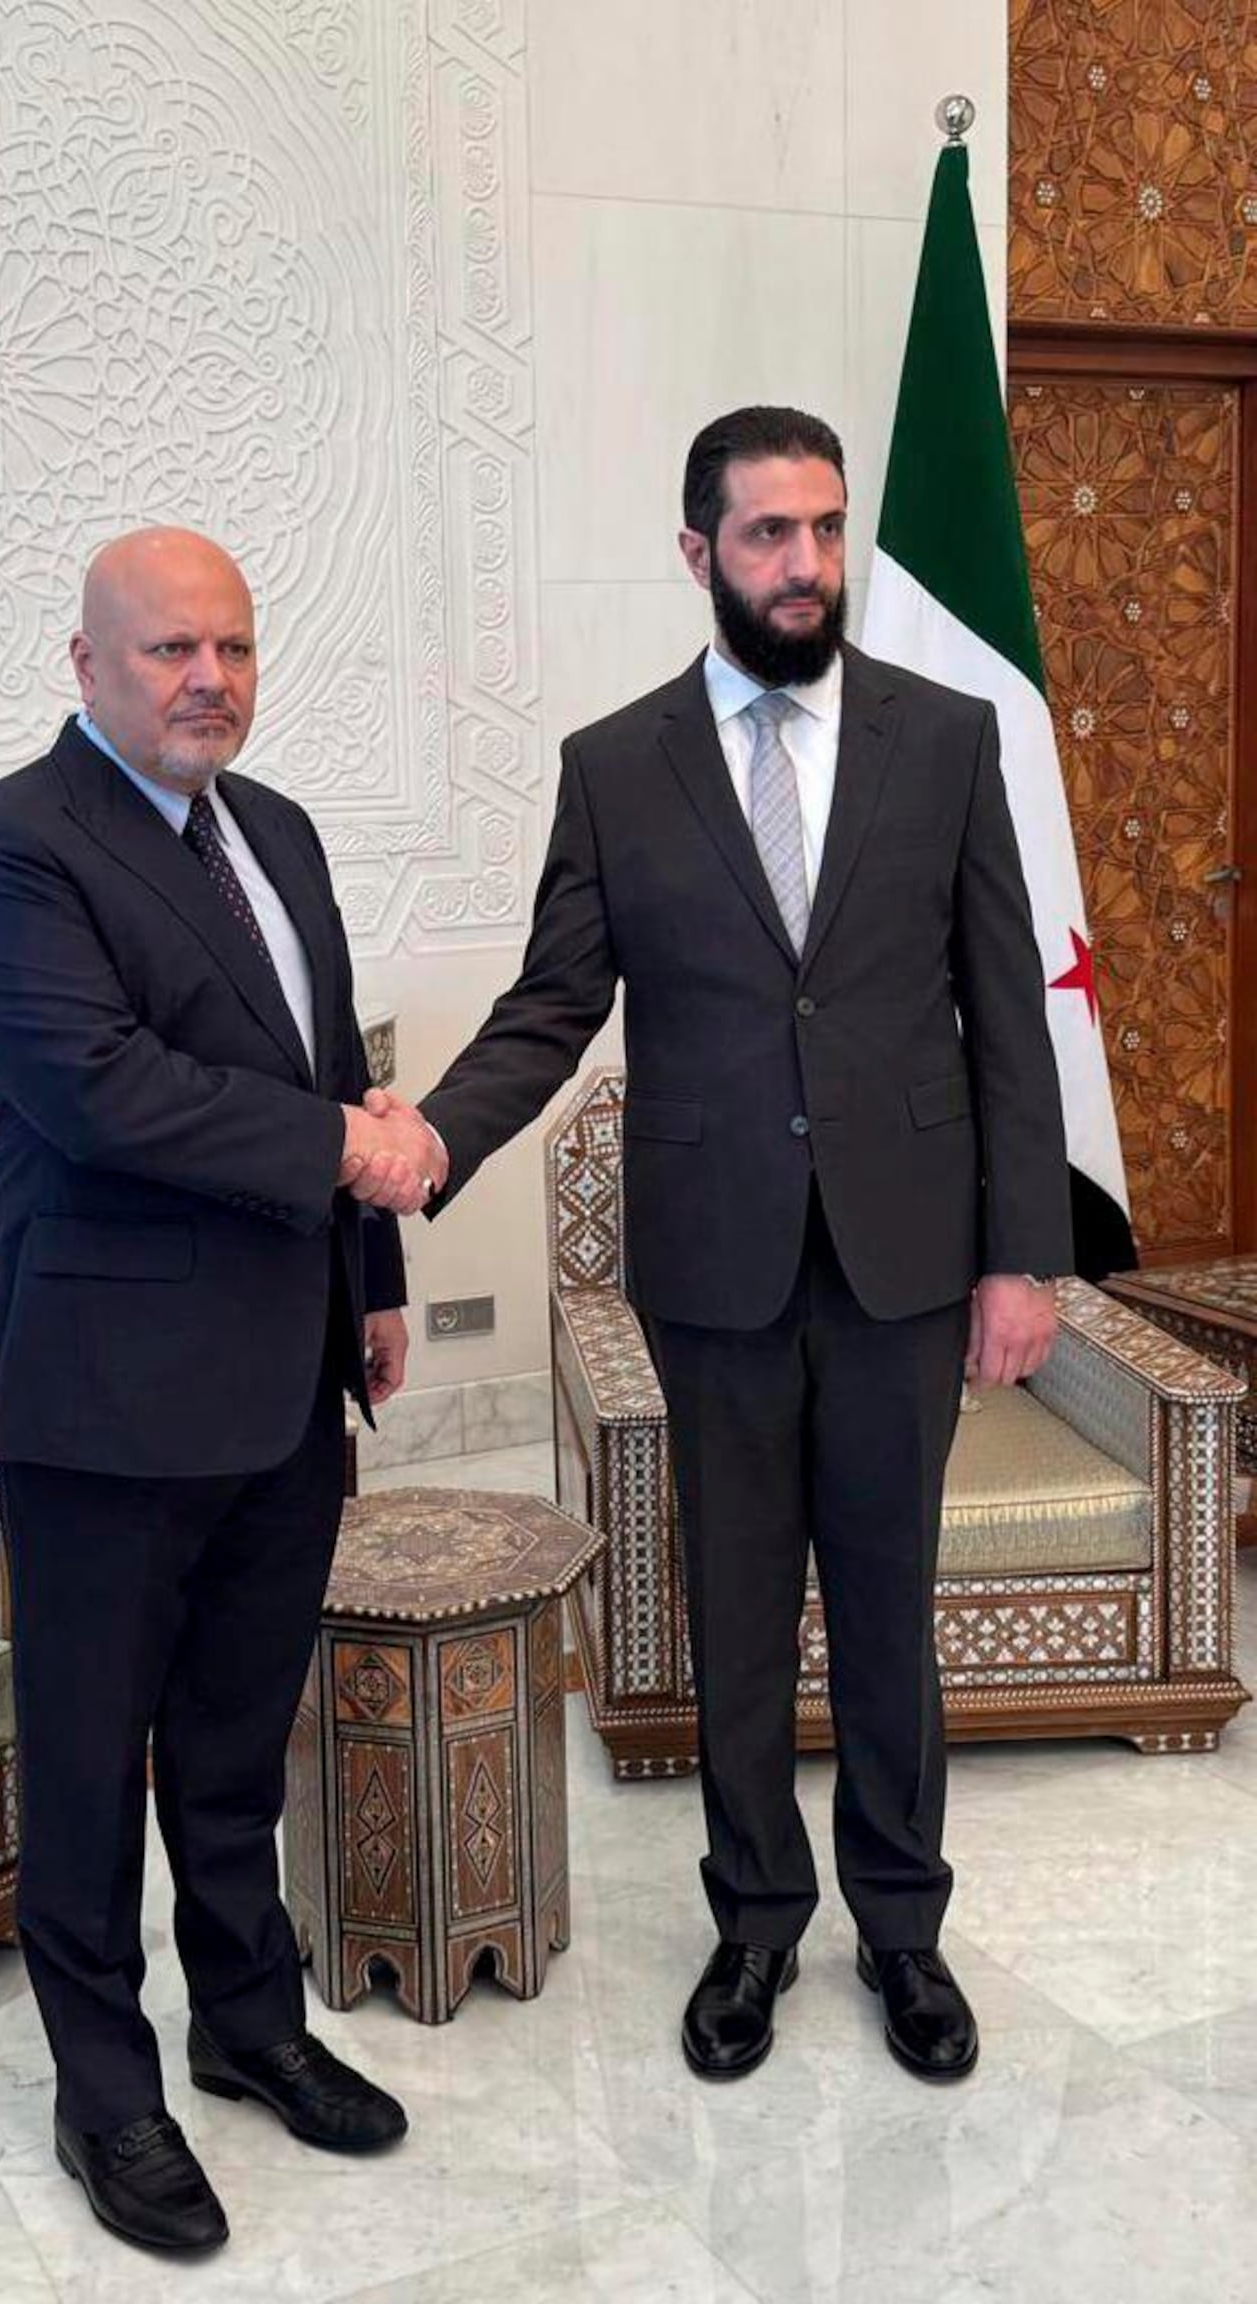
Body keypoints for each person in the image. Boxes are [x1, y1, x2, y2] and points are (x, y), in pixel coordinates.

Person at [383, 407, 1071, 2085]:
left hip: (909, 1254)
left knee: (894, 1610)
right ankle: (755, 1923)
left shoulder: (948, 735)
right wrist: (438, 1137)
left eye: (826, 531)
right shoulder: (619, 766)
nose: (806, 566)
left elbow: (1005, 1011)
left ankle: (902, 1929)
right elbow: (557, 1000)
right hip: (723, 1265)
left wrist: (1021, 1255)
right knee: (738, 1607)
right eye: (769, 535)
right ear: (698, 551)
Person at [0, 527, 447, 2255]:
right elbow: (102, 1092)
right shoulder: (3, 850)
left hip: (288, 1381)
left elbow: (320, 1052)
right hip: (105, 1397)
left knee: (234, 1741)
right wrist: (345, 1158)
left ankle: (250, 2025)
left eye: (230, 647)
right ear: (85, 665)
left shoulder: (276, 830)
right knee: (89, 1766)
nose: (207, 677)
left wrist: (367, 1288)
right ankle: (108, 2097)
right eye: (167, 652)